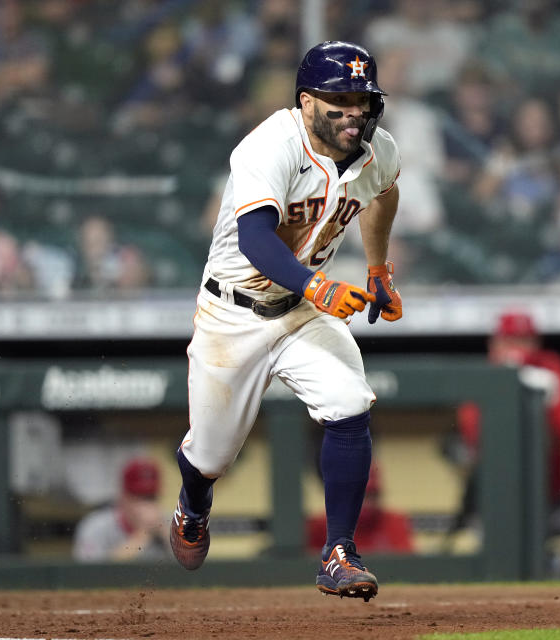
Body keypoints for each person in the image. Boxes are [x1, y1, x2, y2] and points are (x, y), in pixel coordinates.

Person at [170, 41, 402, 603]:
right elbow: (255, 240)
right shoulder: (270, 145)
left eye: (362, 100)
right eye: (339, 99)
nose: (354, 112)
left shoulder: (379, 150)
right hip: (233, 311)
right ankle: (193, 503)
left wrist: (378, 270)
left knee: (349, 401)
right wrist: (320, 284)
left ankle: (339, 552)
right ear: (306, 101)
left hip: (300, 312)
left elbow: (384, 194)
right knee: (211, 455)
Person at [450, 311, 560, 581]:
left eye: (525, 340)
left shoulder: (552, 369)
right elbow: (473, 438)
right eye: (510, 341)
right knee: (479, 541)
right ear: (494, 344)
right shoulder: (484, 375)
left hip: (555, 495)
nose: (518, 348)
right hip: (501, 503)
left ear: (537, 343)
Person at [72, 457, 169, 562]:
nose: (146, 505)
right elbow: (89, 574)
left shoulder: (174, 524)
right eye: (138, 497)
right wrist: (141, 536)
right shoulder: (95, 527)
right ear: (122, 497)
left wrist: (169, 537)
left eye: (151, 497)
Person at [306, 463, 415, 555]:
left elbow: (407, 563)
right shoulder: (322, 526)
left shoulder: (395, 521)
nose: (367, 502)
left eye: (371, 495)